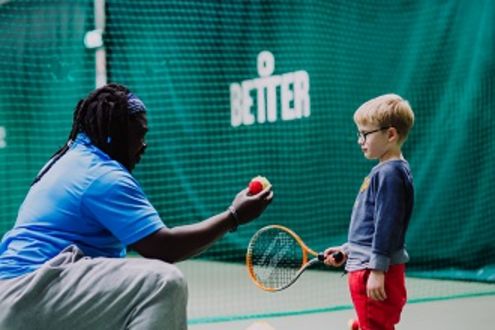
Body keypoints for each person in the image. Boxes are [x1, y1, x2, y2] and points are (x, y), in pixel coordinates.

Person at [0, 83, 274, 330]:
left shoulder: (70, 160)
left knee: (126, 303)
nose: (144, 145)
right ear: (114, 134)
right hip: (30, 293)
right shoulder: (102, 175)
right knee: (161, 283)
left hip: (22, 296)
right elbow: (165, 248)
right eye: (138, 134)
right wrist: (233, 216)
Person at [323, 94, 414, 330]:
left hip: (371, 271)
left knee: (375, 324)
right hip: (364, 265)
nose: (360, 140)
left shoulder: (390, 173)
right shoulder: (383, 171)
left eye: (365, 134)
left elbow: (387, 225)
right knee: (372, 323)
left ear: (391, 134)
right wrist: (347, 250)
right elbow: (370, 226)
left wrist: (377, 269)